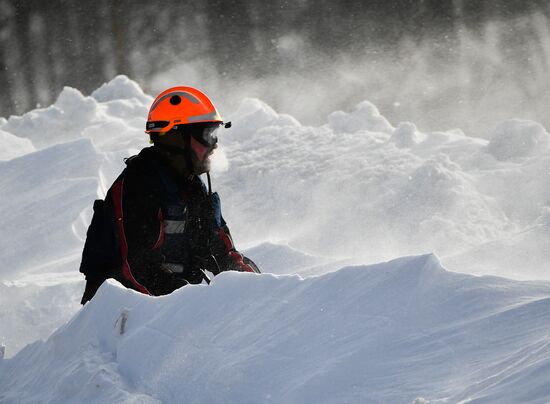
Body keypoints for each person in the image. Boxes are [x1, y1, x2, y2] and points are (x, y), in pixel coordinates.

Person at [79, 86, 258, 304]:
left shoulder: (192, 188)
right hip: (120, 318)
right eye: (207, 135)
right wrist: (190, 304)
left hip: (171, 311)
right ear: (176, 137)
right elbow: (135, 270)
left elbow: (219, 250)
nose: (215, 145)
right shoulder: (138, 187)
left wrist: (255, 287)